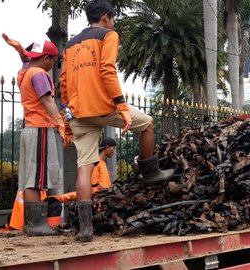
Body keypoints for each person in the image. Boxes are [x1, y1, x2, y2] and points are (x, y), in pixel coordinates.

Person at [60, 0, 173, 242]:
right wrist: (121, 105)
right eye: (113, 18)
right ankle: (151, 173)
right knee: (148, 124)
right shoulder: (108, 36)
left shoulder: (70, 44)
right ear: (106, 17)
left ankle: (85, 230)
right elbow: (107, 70)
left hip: (78, 112)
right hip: (104, 107)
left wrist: (67, 119)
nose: (113, 23)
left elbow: (64, 83)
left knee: (84, 167)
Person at [3, 33, 67, 236]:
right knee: (35, 180)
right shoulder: (39, 74)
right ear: (46, 58)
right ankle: (36, 225)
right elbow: (48, 102)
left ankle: (34, 225)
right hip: (40, 129)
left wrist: (22, 52)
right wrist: (61, 125)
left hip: (30, 129)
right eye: (53, 61)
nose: (52, 66)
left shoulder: (25, 72)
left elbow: (26, 61)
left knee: (32, 178)